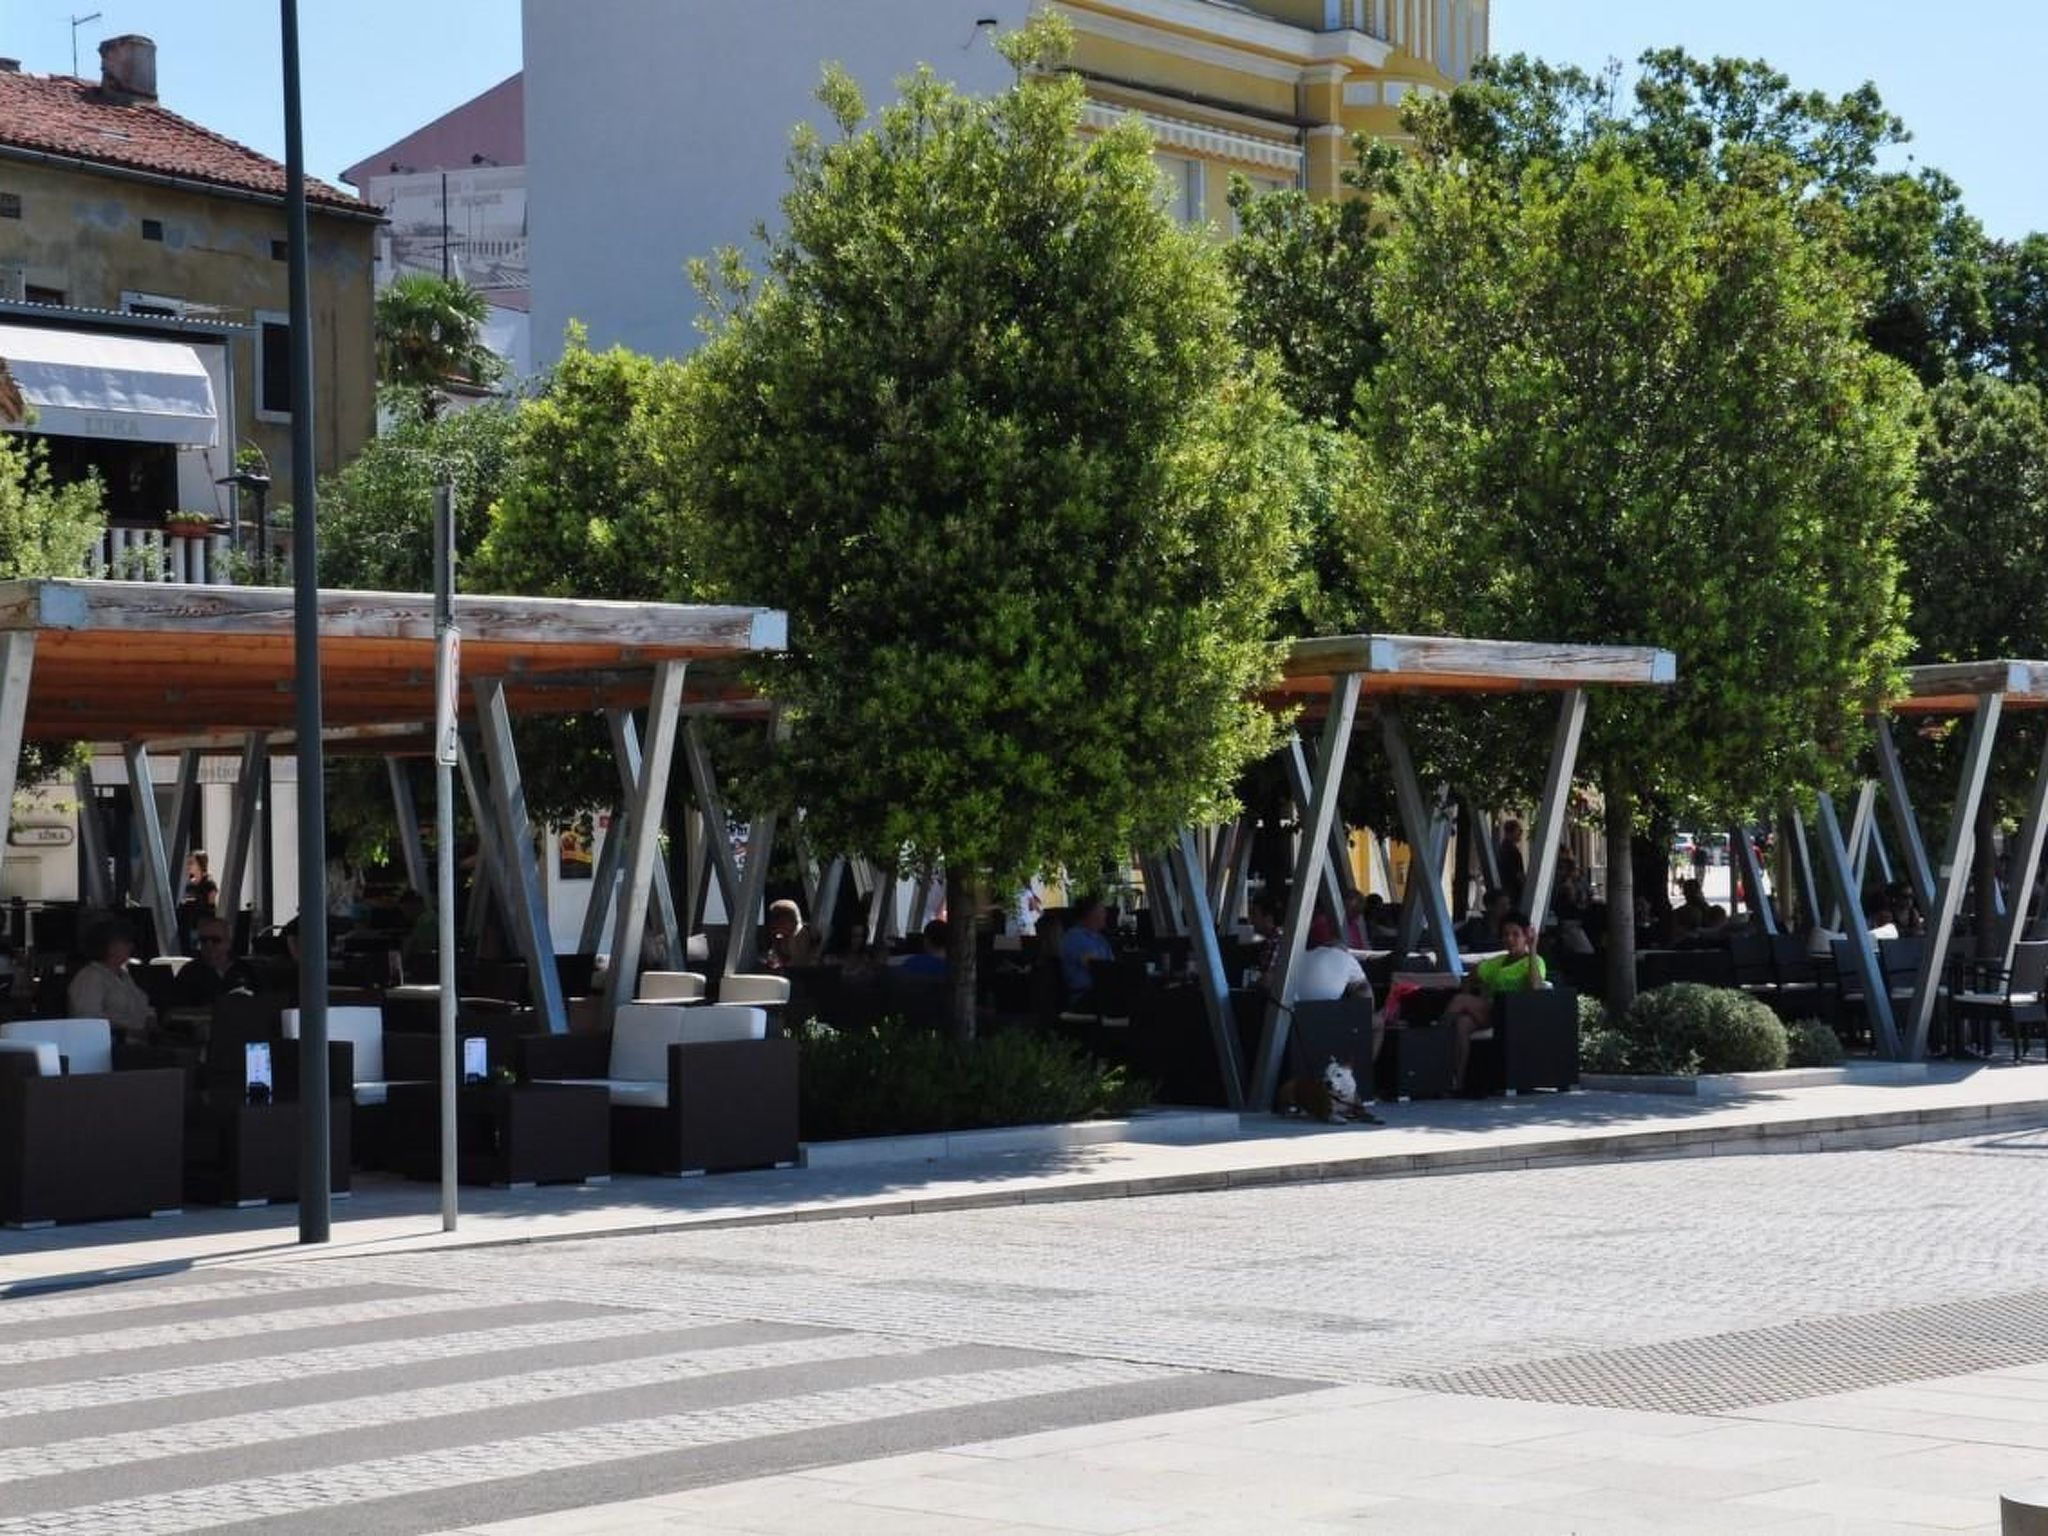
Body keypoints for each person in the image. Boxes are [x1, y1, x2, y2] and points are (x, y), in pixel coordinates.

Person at [1441, 910, 1548, 1090]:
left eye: (1516, 934)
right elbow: (1470, 976)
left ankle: (1434, 1036)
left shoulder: (1535, 961)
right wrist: (1480, 995)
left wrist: (1533, 948)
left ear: (1525, 937)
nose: (1510, 939)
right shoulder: (1498, 961)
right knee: (1463, 1023)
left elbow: (1536, 988)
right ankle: (1457, 1081)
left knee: (1460, 1001)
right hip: (1491, 1012)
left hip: (1514, 1015)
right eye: (1506, 934)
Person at [68, 915, 154, 1044]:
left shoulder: (124, 976)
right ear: (109, 946)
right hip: (111, 1046)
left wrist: (151, 1019)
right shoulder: (90, 977)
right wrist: (126, 1032)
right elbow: (88, 1020)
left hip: (140, 1043)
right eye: (125, 942)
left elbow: (142, 1006)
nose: (130, 946)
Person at [172, 917, 260, 1007]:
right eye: (204, 940)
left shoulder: (246, 970)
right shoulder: (189, 972)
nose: (209, 945)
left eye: (215, 940)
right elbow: (177, 1010)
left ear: (228, 942)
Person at [1297, 912, 1373, 1005]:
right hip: (1330, 1015)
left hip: (1287, 1014)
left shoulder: (1288, 958)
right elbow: (1364, 990)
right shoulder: (1344, 957)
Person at [1059, 895, 1115, 1004]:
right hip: (1084, 997)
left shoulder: (1101, 939)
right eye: (1102, 911)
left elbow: (1112, 966)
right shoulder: (1075, 938)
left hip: (1101, 993)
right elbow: (1098, 967)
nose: (1106, 914)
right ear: (1091, 914)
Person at [1494, 819, 1527, 907]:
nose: (1521, 833)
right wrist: (1526, 887)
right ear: (1510, 832)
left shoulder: (1504, 848)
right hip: (1513, 891)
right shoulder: (1511, 851)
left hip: (1508, 889)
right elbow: (1517, 873)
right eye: (1518, 831)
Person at [182, 851, 218, 917]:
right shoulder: (190, 885)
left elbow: (211, 909)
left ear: (200, 864)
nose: (188, 866)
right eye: (188, 863)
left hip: (204, 922)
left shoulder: (209, 884)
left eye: (191, 863)